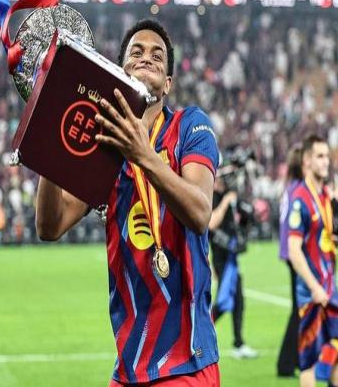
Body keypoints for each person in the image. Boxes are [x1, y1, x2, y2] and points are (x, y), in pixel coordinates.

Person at [35, 19, 221, 386]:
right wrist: (54, 143)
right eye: (136, 52)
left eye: (157, 55)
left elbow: (200, 213)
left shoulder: (190, 126)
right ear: (120, 71)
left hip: (186, 362)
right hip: (129, 365)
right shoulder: (104, 147)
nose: (146, 57)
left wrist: (143, 155)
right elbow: (49, 226)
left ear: (168, 83)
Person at [288, 135, 338, 387]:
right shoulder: (300, 199)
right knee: (308, 359)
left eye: (327, 156)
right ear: (307, 161)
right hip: (312, 292)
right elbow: (294, 250)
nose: (325, 161)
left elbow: (323, 239)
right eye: (320, 156)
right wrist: (314, 287)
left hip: (329, 287)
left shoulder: (324, 196)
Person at [208, 174, 258, 359]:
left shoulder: (230, 194)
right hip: (221, 260)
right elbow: (211, 223)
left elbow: (246, 218)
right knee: (224, 302)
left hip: (230, 258)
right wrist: (226, 202)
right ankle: (200, 330)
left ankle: (239, 342)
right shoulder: (212, 196)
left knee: (237, 300)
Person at [276, 144, 303, 377]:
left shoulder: (290, 187)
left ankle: (295, 359)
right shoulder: (299, 189)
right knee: (300, 308)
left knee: (301, 308)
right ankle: (286, 362)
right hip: (297, 252)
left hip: (289, 251)